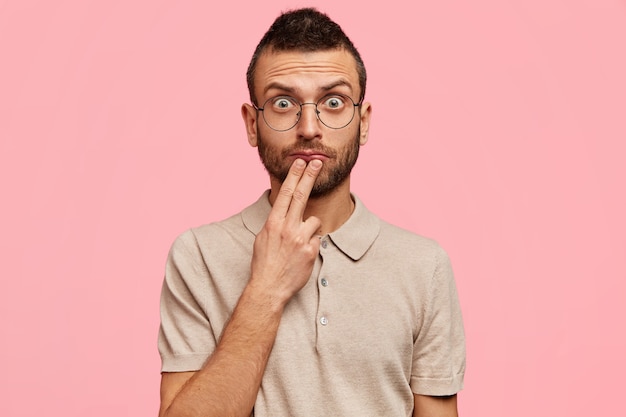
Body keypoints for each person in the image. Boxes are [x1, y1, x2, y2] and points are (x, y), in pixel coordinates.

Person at [158, 7, 465, 417]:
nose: (308, 127)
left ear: (364, 121)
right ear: (252, 124)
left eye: (333, 102)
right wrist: (265, 290)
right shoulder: (197, 256)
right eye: (283, 103)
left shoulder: (424, 266)